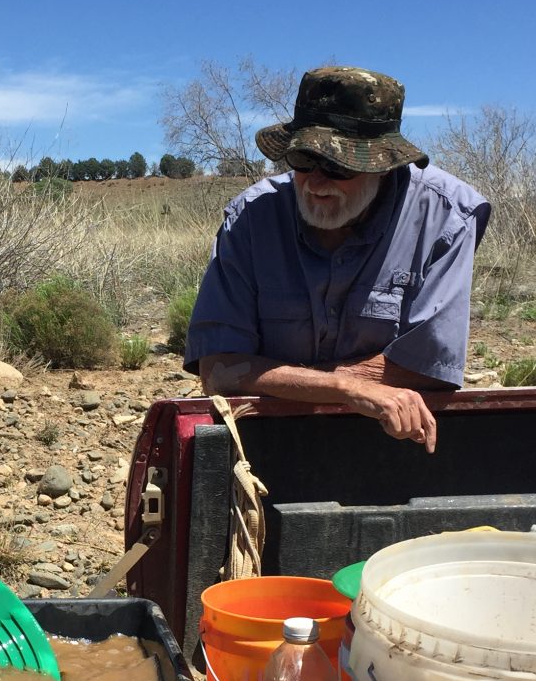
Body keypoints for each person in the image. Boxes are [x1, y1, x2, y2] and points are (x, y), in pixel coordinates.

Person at [185, 66, 491, 453]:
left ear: (385, 164)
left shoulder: (447, 218)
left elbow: (426, 370)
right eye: (302, 160)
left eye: (337, 166)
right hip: (265, 444)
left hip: (393, 445)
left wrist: (276, 379)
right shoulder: (250, 217)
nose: (315, 182)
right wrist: (347, 387)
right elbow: (218, 368)